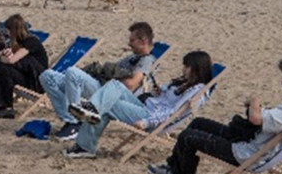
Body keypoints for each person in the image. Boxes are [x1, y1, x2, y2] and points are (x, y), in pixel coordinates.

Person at [148, 54, 282, 174]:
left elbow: (256, 118)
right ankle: (173, 168)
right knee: (199, 123)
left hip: (246, 153)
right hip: (250, 142)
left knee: (188, 137)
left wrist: (254, 102)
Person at [61, 50, 213, 159]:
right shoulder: (184, 82)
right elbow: (165, 93)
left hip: (149, 117)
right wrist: (158, 92)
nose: (183, 69)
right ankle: (90, 117)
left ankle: (85, 144)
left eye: (187, 67)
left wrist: (146, 122)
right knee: (116, 85)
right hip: (145, 105)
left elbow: (173, 113)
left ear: (197, 69)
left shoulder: (197, 91)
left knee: (108, 106)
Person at [40, 22, 156, 140]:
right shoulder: (132, 57)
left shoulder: (146, 60)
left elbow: (131, 85)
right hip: (100, 84)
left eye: (132, 41)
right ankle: (68, 119)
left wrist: (112, 74)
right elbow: (111, 70)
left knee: (72, 72)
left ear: (143, 41)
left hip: (109, 95)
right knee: (47, 76)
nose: (129, 44)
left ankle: (75, 123)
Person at [0, 14, 49, 119]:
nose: (6, 33)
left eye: (8, 30)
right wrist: (3, 53)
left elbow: (12, 60)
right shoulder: (18, 42)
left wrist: (2, 58)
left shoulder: (31, 42)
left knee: (4, 69)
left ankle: (7, 107)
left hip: (36, 81)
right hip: (26, 75)